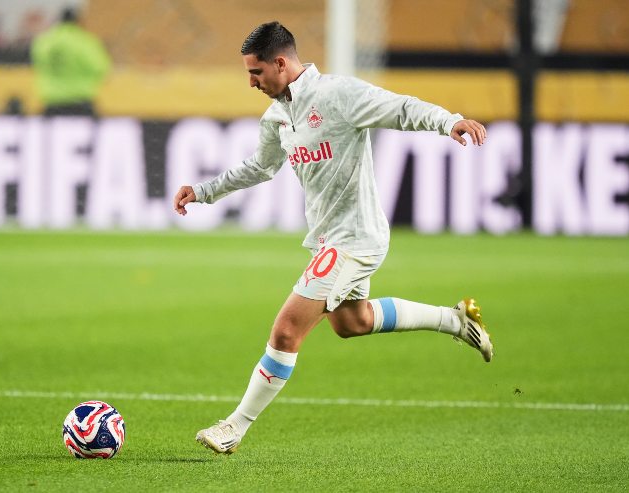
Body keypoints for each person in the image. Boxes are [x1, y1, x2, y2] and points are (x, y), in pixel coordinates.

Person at [173, 21, 493, 455]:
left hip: (355, 238)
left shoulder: (338, 95)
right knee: (351, 323)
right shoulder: (277, 116)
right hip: (328, 239)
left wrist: (449, 122)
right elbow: (261, 167)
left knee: (287, 330)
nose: (251, 82)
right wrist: (204, 191)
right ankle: (455, 321)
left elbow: (400, 108)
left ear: (280, 63)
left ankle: (235, 426)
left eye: (256, 72)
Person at [30, 8, 111, 116]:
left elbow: (38, 63)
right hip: (80, 100)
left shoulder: (44, 42)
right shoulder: (85, 41)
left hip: (51, 102)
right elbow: (101, 68)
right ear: (78, 21)